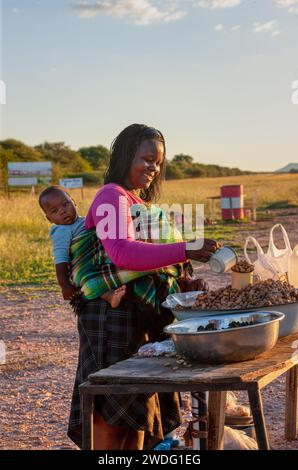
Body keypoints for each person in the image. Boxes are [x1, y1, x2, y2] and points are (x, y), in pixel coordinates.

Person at [67, 124, 220, 450]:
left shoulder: (136, 201)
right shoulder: (110, 196)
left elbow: (151, 259)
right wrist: (186, 249)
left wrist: (181, 279)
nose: (154, 168)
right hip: (111, 316)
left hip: (139, 314)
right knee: (111, 413)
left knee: (138, 412)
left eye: (158, 162)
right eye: (147, 159)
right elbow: (121, 251)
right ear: (126, 156)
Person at [39, 186, 127, 308]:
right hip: (81, 269)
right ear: (49, 219)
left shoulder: (85, 220)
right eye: (55, 211)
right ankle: (109, 296)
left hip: (96, 260)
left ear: (74, 202)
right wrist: (64, 285)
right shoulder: (61, 231)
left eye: (65, 204)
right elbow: (61, 259)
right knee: (88, 282)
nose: (62, 211)